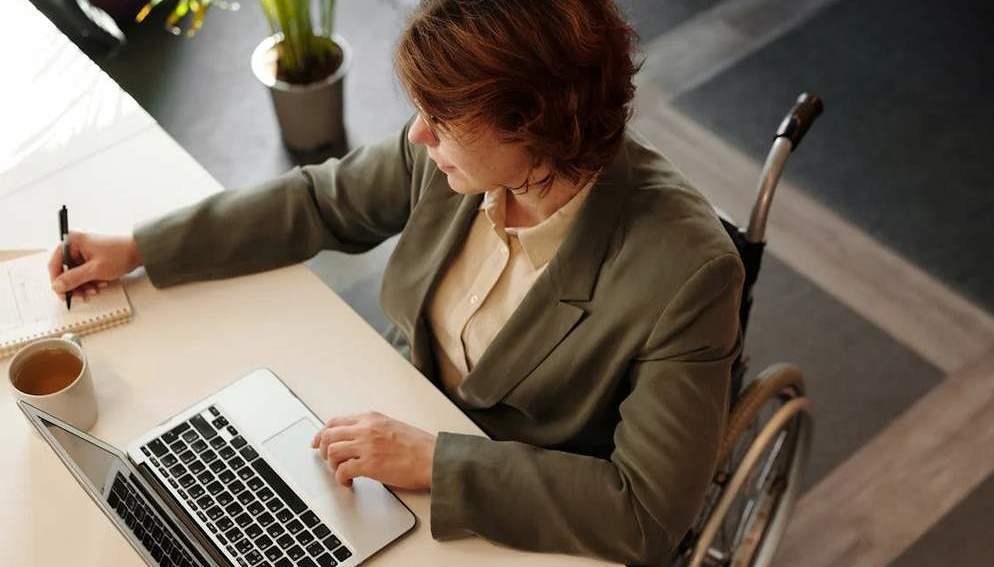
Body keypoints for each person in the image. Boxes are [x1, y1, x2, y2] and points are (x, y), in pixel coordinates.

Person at [48, 0, 745, 564]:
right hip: (389, 424)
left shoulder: (688, 273)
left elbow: (647, 512)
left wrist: (438, 463)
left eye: (440, 121)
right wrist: (141, 247)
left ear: (532, 124)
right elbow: (320, 201)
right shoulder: (456, 162)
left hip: (518, 500)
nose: (415, 137)